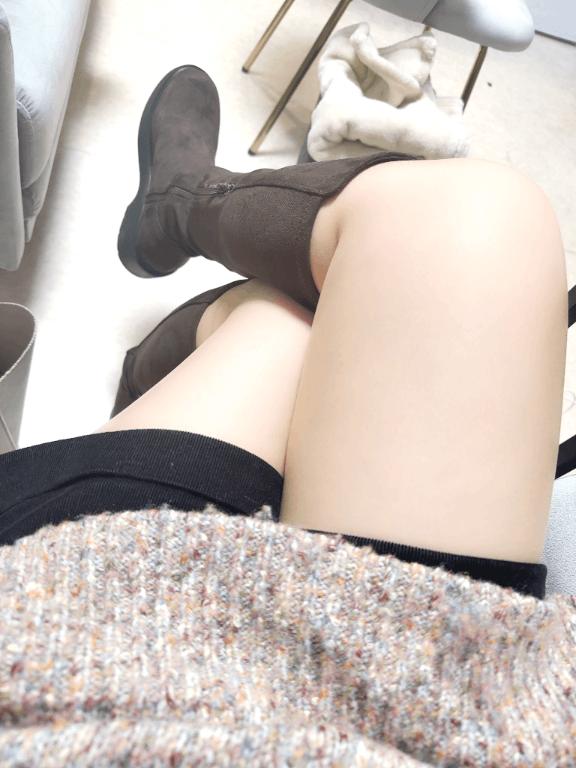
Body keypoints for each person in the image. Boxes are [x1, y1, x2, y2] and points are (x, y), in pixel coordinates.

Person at [0, 65, 574, 766]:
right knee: (476, 220)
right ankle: (177, 208)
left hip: (81, 654)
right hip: (462, 708)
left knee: (284, 322)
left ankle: (177, 209)